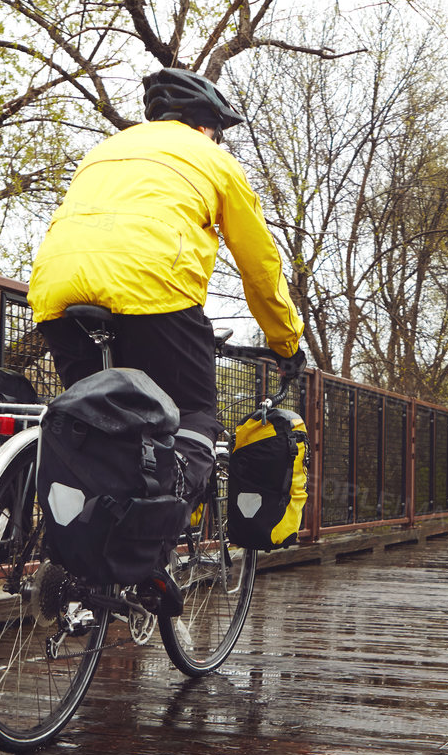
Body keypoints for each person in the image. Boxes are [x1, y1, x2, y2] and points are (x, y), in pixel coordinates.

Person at [27, 67, 305, 602]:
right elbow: (260, 266)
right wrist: (285, 341)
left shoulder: (105, 151)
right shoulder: (215, 161)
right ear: (207, 127)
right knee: (195, 417)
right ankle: (149, 559)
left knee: (94, 424)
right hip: (153, 292)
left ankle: (79, 562)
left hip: (56, 293)